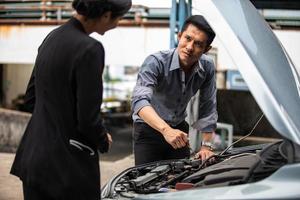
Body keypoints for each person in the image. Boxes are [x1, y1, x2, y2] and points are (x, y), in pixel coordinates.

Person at [10, 0, 131, 199]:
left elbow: (31, 99)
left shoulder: (52, 36)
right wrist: (102, 139)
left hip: (33, 159)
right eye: (119, 18)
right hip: (67, 169)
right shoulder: (91, 49)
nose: (117, 24)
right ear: (106, 15)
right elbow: (87, 121)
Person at [132, 15, 217, 165]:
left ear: (206, 49)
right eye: (187, 38)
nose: (190, 47)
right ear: (179, 36)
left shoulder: (208, 67)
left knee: (181, 179)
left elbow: (208, 106)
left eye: (198, 44)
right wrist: (166, 130)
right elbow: (139, 102)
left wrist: (206, 146)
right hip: (149, 129)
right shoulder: (155, 62)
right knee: (145, 182)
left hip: (179, 129)